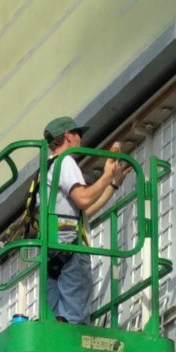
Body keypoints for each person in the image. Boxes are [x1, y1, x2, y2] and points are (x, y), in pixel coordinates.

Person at [40, 115, 130, 324]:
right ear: (68, 136)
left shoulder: (47, 170)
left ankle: (58, 344)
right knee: (74, 317)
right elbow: (83, 199)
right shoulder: (66, 162)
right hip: (71, 247)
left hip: (52, 248)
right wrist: (107, 175)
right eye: (78, 134)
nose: (81, 139)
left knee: (55, 318)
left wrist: (113, 185)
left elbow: (85, 212)